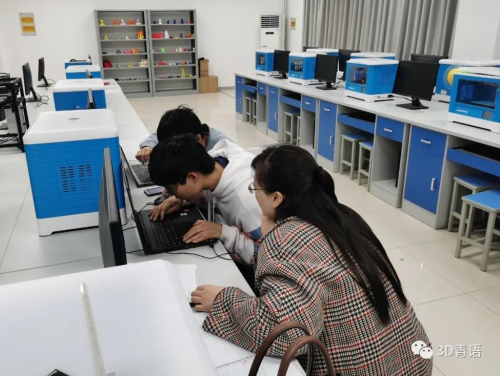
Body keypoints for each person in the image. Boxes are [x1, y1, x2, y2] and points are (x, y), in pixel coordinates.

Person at [192, 145, 433, 376]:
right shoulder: (341, 215)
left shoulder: (287, 237)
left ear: (276, 198)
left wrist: (224, 300)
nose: (254, 195)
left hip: (362, 368)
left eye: (255, 188)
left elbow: (285, 334)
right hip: (410, 357)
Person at [148, 135, 262, 265]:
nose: (170, 194)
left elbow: (267, 258)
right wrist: (182, 200)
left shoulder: (247, 202)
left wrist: (222, 232)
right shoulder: (213, 165)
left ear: (192, 177)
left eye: (171, 189)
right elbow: (208, 194)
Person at [136, 105, 232, 163]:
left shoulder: (226, 151)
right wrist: (148, 147)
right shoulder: (187, 133)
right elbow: (159, 136)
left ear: (198, 139)